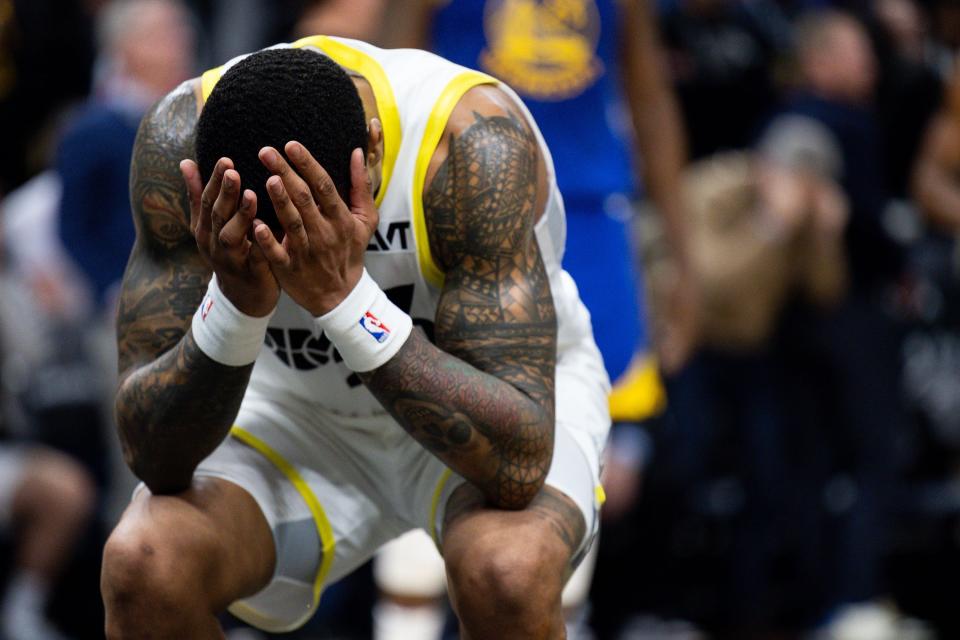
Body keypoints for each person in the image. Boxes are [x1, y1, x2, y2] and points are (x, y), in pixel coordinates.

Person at [100, 36, 610, 639]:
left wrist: (345, 300)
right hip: (294, 412)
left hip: (488, 397)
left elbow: (518, 464)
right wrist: (234, 307)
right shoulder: (179, 142)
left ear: (372, 149)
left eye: (315, 214)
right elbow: (152, 457)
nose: (291, 244)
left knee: (508, 572)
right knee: (144, 565)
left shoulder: (470, 142)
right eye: (270, 228)